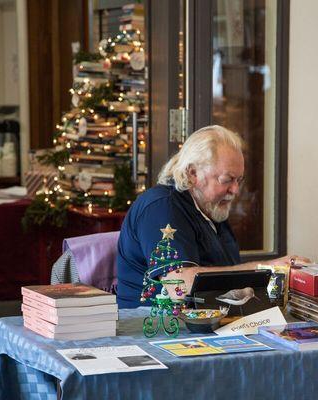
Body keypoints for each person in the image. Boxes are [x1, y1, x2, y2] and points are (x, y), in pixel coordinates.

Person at [117, 125, 306, 308]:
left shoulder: (211, 209)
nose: (236, 190)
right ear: (192, 174)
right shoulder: (161, 206)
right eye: (227, 180)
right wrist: (266, 268)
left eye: (239, 180)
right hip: (150, 325)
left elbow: (228, 281)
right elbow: (178, 286)